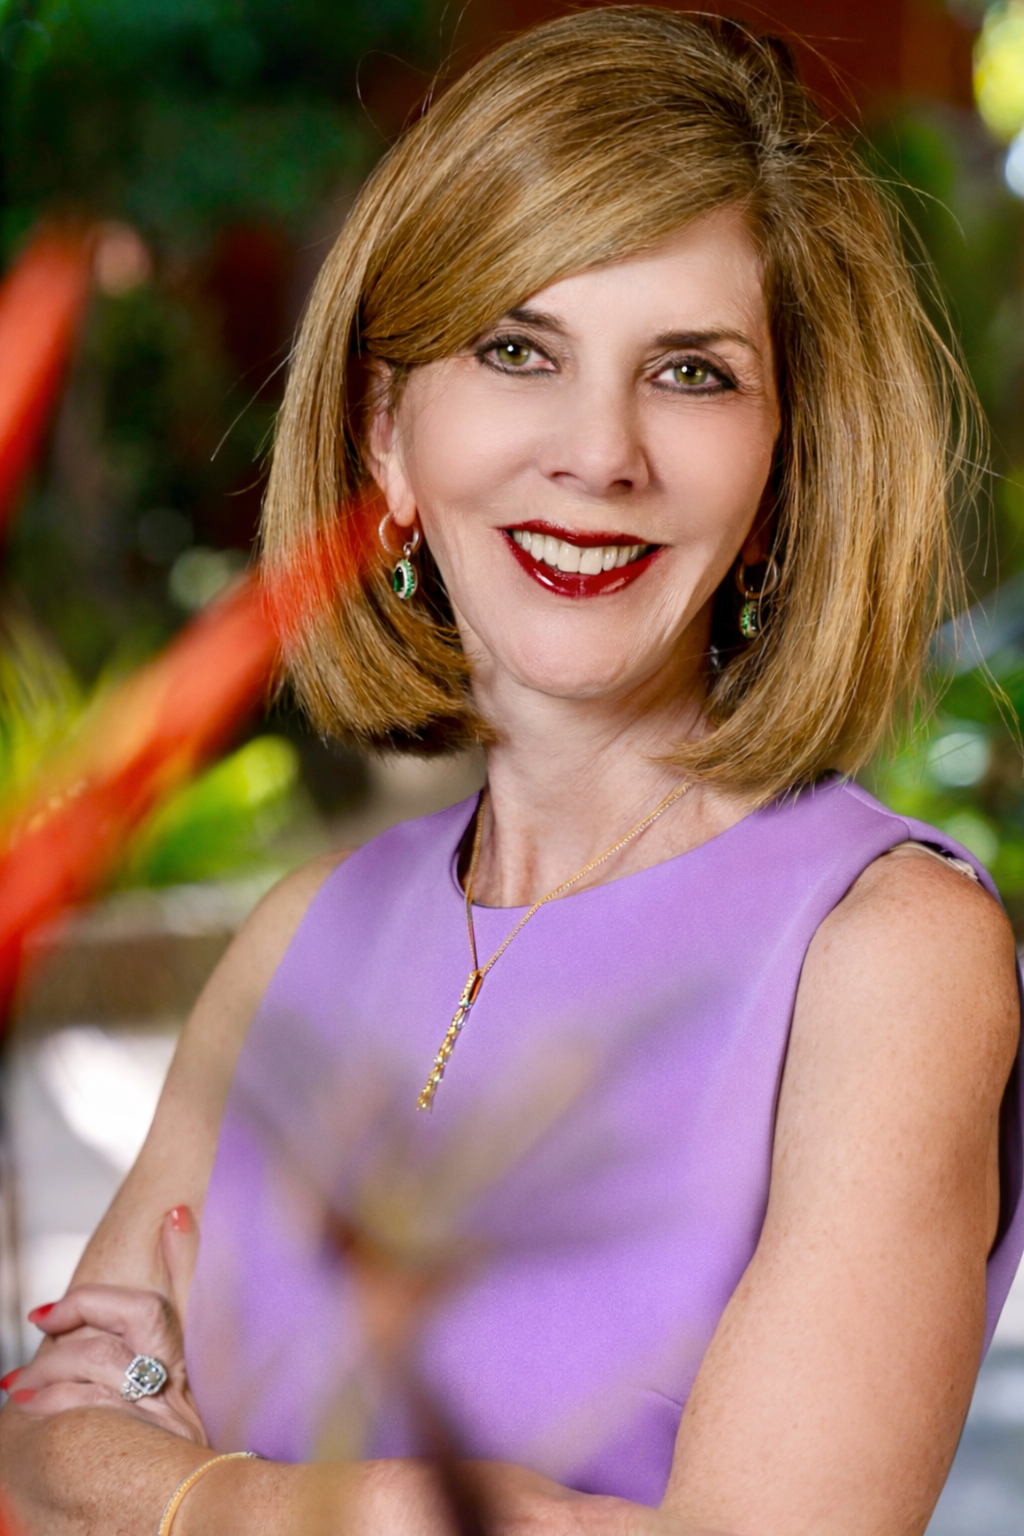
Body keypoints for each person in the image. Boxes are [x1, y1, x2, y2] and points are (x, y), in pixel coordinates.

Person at [2, 9, 1021, 1535]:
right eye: (517, 349)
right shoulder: (301, 938)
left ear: (786, 471)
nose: (599, 453)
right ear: (389, 435)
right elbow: (34, 1468)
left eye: (691, 371)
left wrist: (188, 1485)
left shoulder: (887, 958)